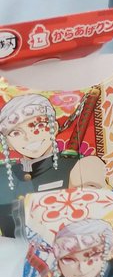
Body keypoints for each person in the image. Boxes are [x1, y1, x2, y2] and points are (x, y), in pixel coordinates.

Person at [0, 94, 107, 237]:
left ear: (54, 128)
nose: (29, 137)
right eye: (16, 132)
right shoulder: (2, 176)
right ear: (7, 143)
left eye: (39, 125)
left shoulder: (80, 167)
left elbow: (95, 215)